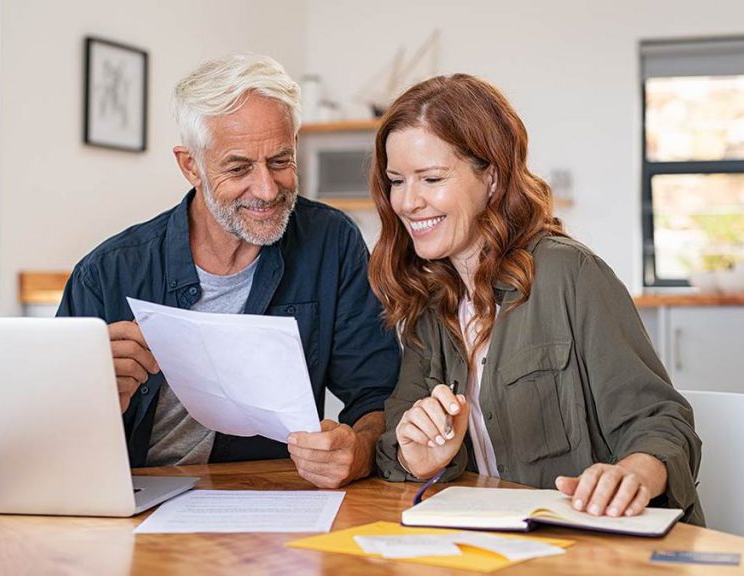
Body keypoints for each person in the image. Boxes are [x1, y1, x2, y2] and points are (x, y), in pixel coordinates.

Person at [370, 74, 704, 524]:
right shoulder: (432, 302)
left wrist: (634, 473)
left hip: (594, 547)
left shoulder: (571, 275)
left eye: (431, 178)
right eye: (396, 181)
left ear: (491, 177)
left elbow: (662, 422)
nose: (408, 202)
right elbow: (395, 441)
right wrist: (421, 457)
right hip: (497, 544)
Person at [57, 54, 399, 489]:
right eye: (238, 168)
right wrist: (91, 393)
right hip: (132, 497)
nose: (266, 189)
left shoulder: (330, 242)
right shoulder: (106, 272)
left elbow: (378, 396)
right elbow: (48, 433)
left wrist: (359, 449)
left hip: (263, 497)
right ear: (190, 166)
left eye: (280, 161)